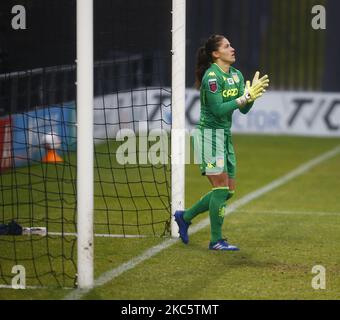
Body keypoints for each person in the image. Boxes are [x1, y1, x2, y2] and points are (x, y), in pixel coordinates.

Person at [175, 34, 269, 251]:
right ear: (216, 54)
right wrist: (243, 99)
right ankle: (216, 240)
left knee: (228, 191)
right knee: (220, 188)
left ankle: (185, 216)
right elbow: (217, 110)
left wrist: (250, 98)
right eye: (227, 46)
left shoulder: (236, 75)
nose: (232, 49)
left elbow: (243, 110)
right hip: (209, 135)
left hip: (224, 136)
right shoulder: (212, 78)